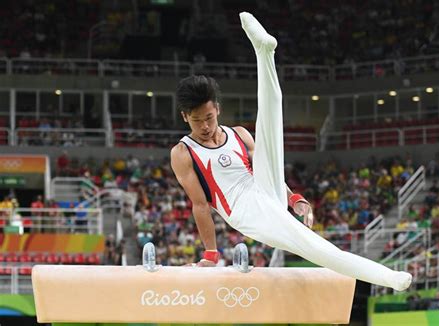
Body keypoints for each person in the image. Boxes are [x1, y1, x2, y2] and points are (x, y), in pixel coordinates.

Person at [170, 12, 412, 291]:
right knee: (317, 248)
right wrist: (211, 254)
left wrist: (294, 198)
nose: (205, 126)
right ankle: (387, 276)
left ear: (218, 110)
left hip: (265, 189)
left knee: (270, 122)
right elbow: (200, 205)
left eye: (209, 117)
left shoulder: (238, 134)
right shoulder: (183, 152)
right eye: (197, 120)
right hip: (245, 210)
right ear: (185, 117)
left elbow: (270, 170)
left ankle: (264, 51)